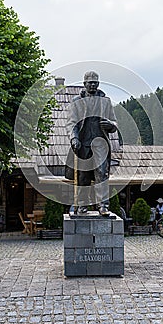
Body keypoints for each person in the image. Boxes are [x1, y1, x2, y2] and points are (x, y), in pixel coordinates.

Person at [65, 71, 117, 216]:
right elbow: (72, 122)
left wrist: (111, 125)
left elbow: (114, 121)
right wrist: (74, 138)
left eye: (95, 82)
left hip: (100, 143)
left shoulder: (106, 101)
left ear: (98, 84)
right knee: (83, 176)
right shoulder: (76, 101)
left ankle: (103, 205)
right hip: (83, 143)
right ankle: (82, 205)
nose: (92, 85)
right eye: (90, 83)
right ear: (84, 84)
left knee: (102, 173)